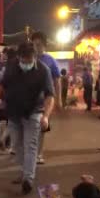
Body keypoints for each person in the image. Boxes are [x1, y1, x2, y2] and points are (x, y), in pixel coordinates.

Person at [0, 42, 55, 194]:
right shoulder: (11, 66)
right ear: (18, 58)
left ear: (35, 57)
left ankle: (28, 179)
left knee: (30, 145)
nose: (26, 64)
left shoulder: (44, 70)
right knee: (17, 145)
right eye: (23, 61)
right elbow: (2, 85)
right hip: (14, 112)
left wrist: (45, 116)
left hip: (34, 112)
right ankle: (25, 172)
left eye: (29, 61)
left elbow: (50, 96)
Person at [31, 31, 60, 165]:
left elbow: (57, 81)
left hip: (45, 100)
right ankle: (27, 152)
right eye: (34, 45)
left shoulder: (50, 60)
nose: (36, 47)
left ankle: (39, 154)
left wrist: (58, 99)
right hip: (30, 100)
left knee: (42, 127)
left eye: (39, 45)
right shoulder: (28, 58)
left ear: (44, 45)